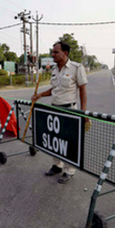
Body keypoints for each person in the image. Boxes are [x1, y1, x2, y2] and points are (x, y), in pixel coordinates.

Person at [31, 41, 88, 184]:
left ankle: (69, 170)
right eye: (53, 51)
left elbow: (82, 90)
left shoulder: (77, 68)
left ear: (65, 53)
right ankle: (57, 165)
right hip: (54, 109)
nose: (53, 54)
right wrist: (40, 95)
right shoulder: (55, 70)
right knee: (55, 139)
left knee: (68, 142)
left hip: (69, 110)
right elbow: (54, 89)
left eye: (56, 52)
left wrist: (83, 112)